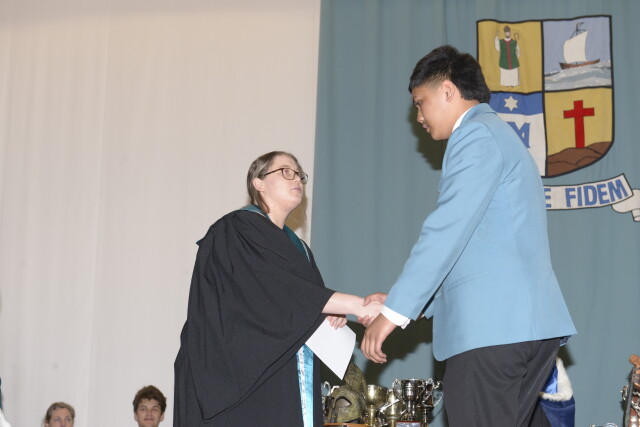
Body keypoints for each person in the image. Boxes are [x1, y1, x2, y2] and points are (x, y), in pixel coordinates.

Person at [360, 45, 576, 427]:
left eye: (420, 103)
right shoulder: (495, 135)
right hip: (519, 326)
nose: (419, 116)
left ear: (447, 90)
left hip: (492, 331)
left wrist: (394, 313)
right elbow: (476, 249)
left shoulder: (476, 135)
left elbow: (446, 230)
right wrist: (403, 301)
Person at [174, 151, 382, 426]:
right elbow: (277, 289)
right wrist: (356, 305)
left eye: (299, 174)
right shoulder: (237, 228)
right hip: (239, 374)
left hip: (285, 370)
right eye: (285, 171)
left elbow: (304, 300)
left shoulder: (299, 248)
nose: (296, 179)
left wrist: (328, 314)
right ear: (258, 183)